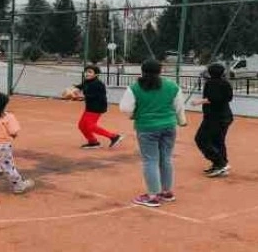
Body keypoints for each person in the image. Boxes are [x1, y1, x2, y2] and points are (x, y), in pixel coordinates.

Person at [119, 59, 187, 208]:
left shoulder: (135, 88)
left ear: (142, 70)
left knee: (150, 160)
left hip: (146, 127)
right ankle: (167, 192)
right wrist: (181, 120)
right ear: (160, 70)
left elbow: (125, 108)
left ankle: (152, 196)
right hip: (169, 126)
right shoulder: (171, 86)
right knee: (166, 158)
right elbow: (179, 106)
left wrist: (133, 114)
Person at [192, 63, 234, 177]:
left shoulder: (211, 83)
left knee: (201, 139)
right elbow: (229, 98)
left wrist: (200, 101)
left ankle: (220, 163)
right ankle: (221, 164)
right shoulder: (226, 83)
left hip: (214, 118)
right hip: (226, 116)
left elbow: (214, 98)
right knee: (218, 141)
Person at [73, 65, 124, 149]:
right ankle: (93, 142)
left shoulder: (98, 84)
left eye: (90, 72)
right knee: (82, 125)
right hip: (89, 107)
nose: (87, 73)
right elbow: (81, 86)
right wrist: (73, 89)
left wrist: (79, 97)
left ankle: (114, 137)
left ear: (96, 74)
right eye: (86, 71)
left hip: (97, 107)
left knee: (90, 126)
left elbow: (95, 96)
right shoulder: (87, 81)